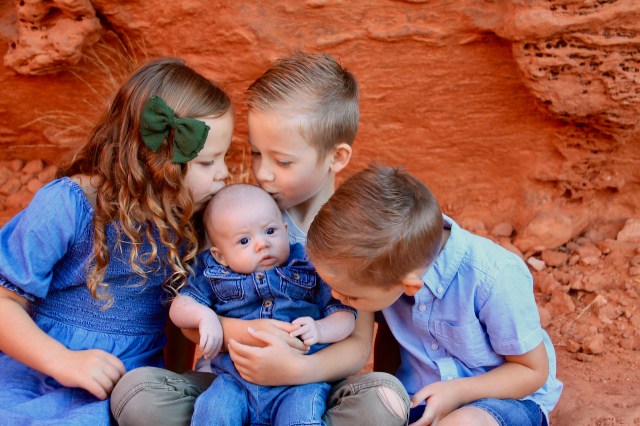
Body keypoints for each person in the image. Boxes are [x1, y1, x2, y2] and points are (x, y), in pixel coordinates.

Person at [111, 52, 411, 426]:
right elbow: (189, 317)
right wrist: (242, 332)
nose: (263, 174)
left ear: (336, 157)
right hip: (226, 385)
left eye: (282, 162)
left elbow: (357, 346)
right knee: (136, 393)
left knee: (384, 398)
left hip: (310, 388)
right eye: (255, 153)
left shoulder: (355, 232)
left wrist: (294, 370)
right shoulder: (234, 215)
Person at [0, 57, 234, 425]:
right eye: (208, 162)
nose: (225, 173)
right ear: (154, 160)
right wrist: (62, 361)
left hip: (129, 388)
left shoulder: (187, 220)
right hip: (43, 373)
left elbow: (177, 315)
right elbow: (4, 303)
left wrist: (170, 383)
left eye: (225, 158)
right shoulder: (69, 205)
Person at [305, 164, 564, 426]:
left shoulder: (494, 277)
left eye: (351, 296)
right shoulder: (388, 268)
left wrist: (457, 392)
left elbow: (532, 370)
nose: (337, 296)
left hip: (503, 402)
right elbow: (391, 336)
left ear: (410, 286)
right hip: (420, 399)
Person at [170, 183, 356, 425]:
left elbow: (345, 315)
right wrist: (205, 316)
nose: (262, 244)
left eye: (270, 231)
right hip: (235, 381)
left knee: (300, 416)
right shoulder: (214, 273)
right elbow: (179, 307)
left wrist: (320, 329)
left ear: (285, 231)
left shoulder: (307, 264)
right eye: (244, 241)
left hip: (297, 384)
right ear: (220, 256)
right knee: (214, 411)